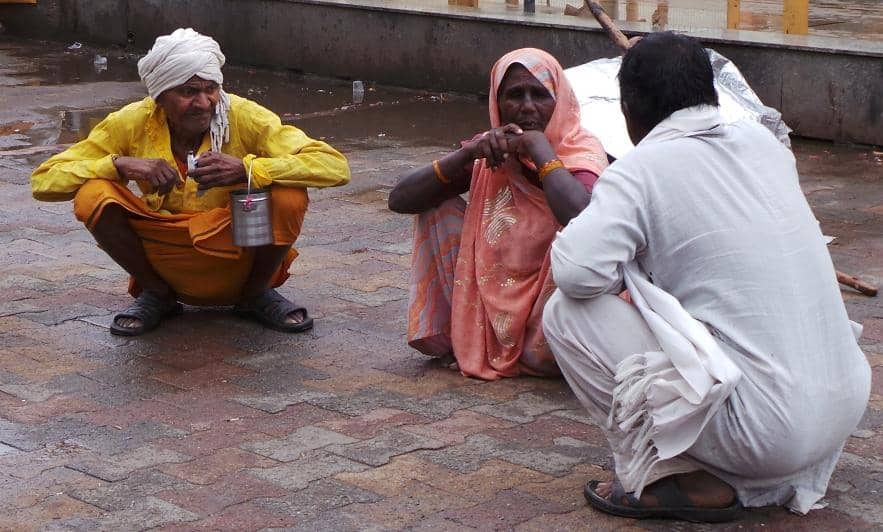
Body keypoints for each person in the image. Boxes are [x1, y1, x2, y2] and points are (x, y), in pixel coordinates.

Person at [542, 32, 871, 522]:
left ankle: (673, 476)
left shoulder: (641, 169)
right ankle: (745, 465)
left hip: (769, 433)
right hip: (843, 406)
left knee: (566, 314)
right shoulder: (763, 143)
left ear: (628, 109)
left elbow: (576, 272)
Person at [31, 28, 350, 336]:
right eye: (188, 92)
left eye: (210, 89)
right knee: (92, 194)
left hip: (239, 258)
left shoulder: (243, 115)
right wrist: (121, 165)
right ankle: (157, 295)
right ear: (159, 97)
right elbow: (44, 181)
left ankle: (255, 296)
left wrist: (249, 170)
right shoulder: (130, 122)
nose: (203, 102)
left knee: (289, 194)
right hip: (165, 261)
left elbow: (335, 166)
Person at [388, 48, 608, 380]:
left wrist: (540, 151)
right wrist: (467, 155)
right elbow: (400, 199)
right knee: (436, 206)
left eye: (540, 95)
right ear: (497, 102)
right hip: (493, 286)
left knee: (572, 239)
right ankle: (466, 336)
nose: (528, 107)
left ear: (559, 100)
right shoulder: (491, 149)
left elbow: (582, 217)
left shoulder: (582, 150)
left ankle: (539, 352)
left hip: (549, 303)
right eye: (515, 95)